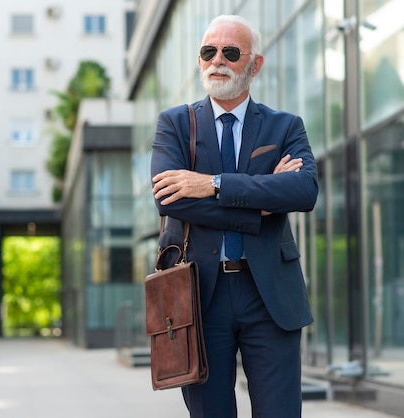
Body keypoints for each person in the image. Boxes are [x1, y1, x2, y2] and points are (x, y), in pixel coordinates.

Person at [150, 15, 318, 418]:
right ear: (199, 59)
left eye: (230, 52)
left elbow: (304, 191)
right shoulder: (175, 124)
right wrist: (261, 205)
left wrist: (215, 185)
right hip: (199, 296)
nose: (217, 61)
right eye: (209, 52)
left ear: (254, 64)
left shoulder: (285, 126)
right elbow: (169, 200)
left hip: (271, 297)